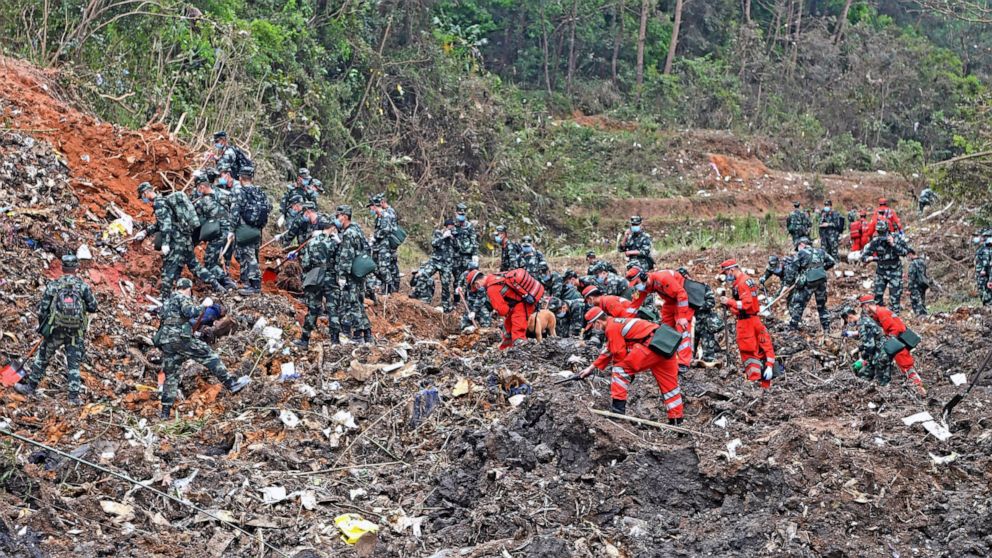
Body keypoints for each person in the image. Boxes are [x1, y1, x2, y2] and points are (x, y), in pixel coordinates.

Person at [153, 278, 250, 419]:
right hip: (180, 339)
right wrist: (204, 305)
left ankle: (165, 412)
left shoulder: (167, 301)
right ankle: (231, 383)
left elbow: (163, 318)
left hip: (166, 341)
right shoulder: (182, 298)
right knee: (209, 355)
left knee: (171, 376)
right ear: (188, 288)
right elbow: (190, 312)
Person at [14, 255, 98, 405]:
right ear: (76, 268)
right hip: (75, 332)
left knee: (43, 358)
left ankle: (30, 387)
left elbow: (43, 310)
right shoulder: (83, 286)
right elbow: (93, 307)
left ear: (63, 267)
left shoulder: (54, 285)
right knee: (73, 363)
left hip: (55, 331)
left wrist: (45, 329)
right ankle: (73, 397)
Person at [577, 309, 683, 424]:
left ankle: (617, 413)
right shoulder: (617, 323)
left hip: (650, 346)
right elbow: (609, 350)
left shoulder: (611, 328)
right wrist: (591, 368)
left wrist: (627, 373)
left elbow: (618, 353)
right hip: (665, 345)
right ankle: (676, 420)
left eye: (592, 326)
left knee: (619, 371)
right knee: (670, 386)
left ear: (598, 322)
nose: (594, 330)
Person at [134, 181, 225, 297]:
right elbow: (160, 224)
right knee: (195, 266)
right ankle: (218, 286)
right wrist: (145, 231)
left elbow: (166, 225)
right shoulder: (164, 201)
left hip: (176, 241)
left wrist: (165, 243)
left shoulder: (159, 204)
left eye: (142, 196)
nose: (143, 200)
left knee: (169, 269)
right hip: (185, 239)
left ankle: (164, 298)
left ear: (146, 193)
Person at [718, 259, 777, 389]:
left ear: (731, 270)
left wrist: (729, 302)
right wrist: (730, 307)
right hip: (749, 320)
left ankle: (755, 383)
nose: (726, 276)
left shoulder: (742, 283)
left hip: (747, 323)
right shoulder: (743, 282)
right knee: (758, 348)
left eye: (726, 272)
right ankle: (761, 384)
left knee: (749, 351)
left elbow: (746, 304)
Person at [850, 295, 925, 395]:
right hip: (896, 341)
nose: (864, 311)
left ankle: (919, 388)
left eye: (863, 307)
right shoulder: (879, 313)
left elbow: (895, 329)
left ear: (866, 306)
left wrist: (886, 341)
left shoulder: (882, 313)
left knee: (906, 366)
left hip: (898, 342)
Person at [626, 267, 694, 372]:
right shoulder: (644, 286)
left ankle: (683, 363)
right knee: (665, 329)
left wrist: (682, 316)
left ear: (643, 276)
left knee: (682, 328)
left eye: (636, 283)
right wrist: (624, 321)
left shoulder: (662, 278)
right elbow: (634, 305)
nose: (636, 286)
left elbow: (681, 294)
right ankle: (666, 356)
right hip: (670, 301)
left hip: (683, 300)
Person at [468, 268, 544, 349]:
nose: (478, 288)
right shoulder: (495, 276)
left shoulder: (491, 289)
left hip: (522, 305)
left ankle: (522, 353)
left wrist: (496, 306)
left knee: (518, 333)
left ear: (477, 283)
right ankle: (504, 350)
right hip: (523, 301)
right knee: (508, 327)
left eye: (476, 287)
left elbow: (503, 311)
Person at [295, 223, 342, 348]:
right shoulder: (335, 244)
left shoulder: (312, 242)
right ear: (332, 229)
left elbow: (305, 263)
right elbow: (340, 262)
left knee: (313, 309)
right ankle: (335, 341)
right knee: (333, 309)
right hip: (331, 279)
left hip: (315, 278)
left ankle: (305, 340)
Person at [335, 205, 373, 343]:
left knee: (352, 303)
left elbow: (346, 256)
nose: (337, 219)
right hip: (359, 273)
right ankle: (366, 334)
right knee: (356, 302)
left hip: (351, 274)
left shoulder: (349, 233)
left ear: (344, 216)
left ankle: (358, 334)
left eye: (338, 216)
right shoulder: (357, 230)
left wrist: (342, 276)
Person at [230, 165, 271, 294]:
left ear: (241, 178)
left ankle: (255, 285)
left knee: (248, 255)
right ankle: (246, 281)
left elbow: (234, 212)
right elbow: (269, 207)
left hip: (244, 228)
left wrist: (231, 230)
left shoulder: (239, 191)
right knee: (252, 254)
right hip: (257, 229)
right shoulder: (259, 191)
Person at [192, 174, 237, 290]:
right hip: (231, 233)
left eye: (198, 188)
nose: (198, 191)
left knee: (209, 262)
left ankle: (226, 282)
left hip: (218, 234)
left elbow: (193, 218)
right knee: (225, 259)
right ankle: (225, 281)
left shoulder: (201, 202)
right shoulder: (223, 194)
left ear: (202, 187)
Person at [861, 220, 913, 314]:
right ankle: (880, 316)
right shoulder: (876, 241)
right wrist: (870, 258)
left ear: (887, 230)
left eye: (883, 232)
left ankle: (895, 318)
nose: (882, 235)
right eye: (880, 232)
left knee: (895, 297)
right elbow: (863, 256)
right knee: (877, 296)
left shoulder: (896, 237)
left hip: (895, 271)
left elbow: (905, 252)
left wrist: (893, 244)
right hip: (881, 271)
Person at [785, 237, 836, 332]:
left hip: (808, 283)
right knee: (822, 306)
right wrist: (820, 269)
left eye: (798, 247)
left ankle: (792, 329)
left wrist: (787, 284)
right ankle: (826, 329)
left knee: (798, 305)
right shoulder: (821, 251)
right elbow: (832, 261)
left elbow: (792, 270)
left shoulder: (801, 253)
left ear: (801, 244)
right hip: (821, 281)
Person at [369, 193, 401, 294]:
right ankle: (384, 287)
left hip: (384, 247)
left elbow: (386, 230)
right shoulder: (379, 217)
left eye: (371, 208)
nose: (371, 210)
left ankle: (389, 290)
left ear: (375, 206)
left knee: (384, 268)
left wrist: (375, 236)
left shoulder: (386, 215)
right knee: (375, 267)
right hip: (378, 246)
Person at [452, 203, 479, 297]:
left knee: (468, 277)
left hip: (467, 256)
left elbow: (474, 241)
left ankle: (469, 299)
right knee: (456, 278)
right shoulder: (453, 226)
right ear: (456, 213)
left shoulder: (469, 226)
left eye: (463, 214)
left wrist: (475, 254)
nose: (461, 216)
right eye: (460, 214)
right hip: (456, 256)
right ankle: (456, 299)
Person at [431, 219, 458, 312]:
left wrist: (453, 239)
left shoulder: (454, 235)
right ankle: (425, 300)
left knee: (446, 284)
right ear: (446, 226)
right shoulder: (438, 233)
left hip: (447, 264)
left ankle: (446, 306)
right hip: (437, 262)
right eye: (450, 226)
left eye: (453, 226)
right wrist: (443, 236)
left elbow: (458, 248)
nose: (452, 228)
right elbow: (434, 244)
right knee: (424, 276)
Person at [457, 261, 493, 330]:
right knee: (464, 323)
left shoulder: (482, 284)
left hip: (482, 305)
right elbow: (460, 282)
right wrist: (459, 287)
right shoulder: (468, 276)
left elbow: (480, 300)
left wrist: (474, 311)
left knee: (486, 323)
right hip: (470, 302)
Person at [976, 230, 992, 306]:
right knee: (983, 292)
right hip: (982, 275)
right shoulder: (982, 249)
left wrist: (990, 279)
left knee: (986, 294)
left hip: (985, 276)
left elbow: (987, 264)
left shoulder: (987, 250)